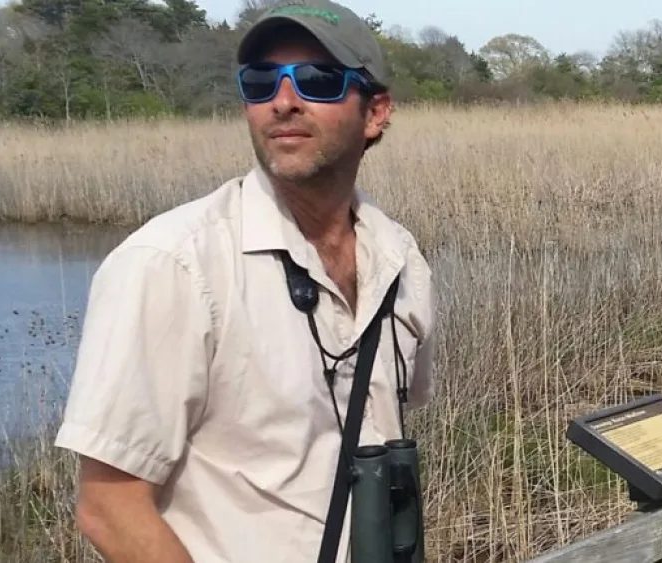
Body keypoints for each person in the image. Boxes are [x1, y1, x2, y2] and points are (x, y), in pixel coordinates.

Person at [52, 1, 437, 561]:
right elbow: (110, 508)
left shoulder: (401, 261)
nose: (283, 101)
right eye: (261, 83)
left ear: (375, 112)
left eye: (317, 81)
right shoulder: (172, 265)